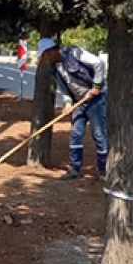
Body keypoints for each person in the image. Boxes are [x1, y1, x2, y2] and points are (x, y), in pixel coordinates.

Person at [37, 36, 108, 181]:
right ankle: (74, 168)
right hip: (79, 101)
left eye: (44, 56)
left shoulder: (74, 53)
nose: (44, 59)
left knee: (99, 134)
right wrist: (68, 102)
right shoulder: (54, 69)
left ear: (50, 52)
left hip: (95, 99)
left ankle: (104, 170)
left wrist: (96, 86)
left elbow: (99, 64)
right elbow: (64, 88)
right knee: (76, 133)